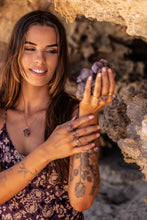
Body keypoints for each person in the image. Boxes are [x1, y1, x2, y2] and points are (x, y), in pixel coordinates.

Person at [0, 10, 115, 219]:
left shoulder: (72, 113)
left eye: (51, 51)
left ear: (60, 56)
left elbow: (82, 201)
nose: (40, 60)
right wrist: (48, 151)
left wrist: (88, 112)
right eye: (30, 48)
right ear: (15, 51)